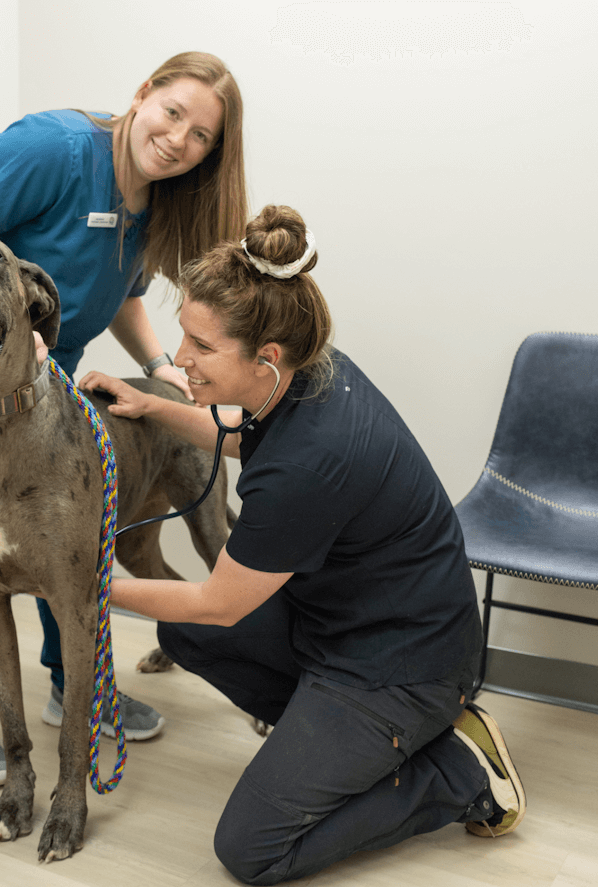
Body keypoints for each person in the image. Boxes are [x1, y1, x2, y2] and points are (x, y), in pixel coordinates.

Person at [79, 204, 525, 885]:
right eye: (184, 338)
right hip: (343, 621)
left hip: (403, 664)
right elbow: (241, 431)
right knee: (181, 630)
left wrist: (81, 582)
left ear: (267, 357)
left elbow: (218, 601)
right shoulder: (307, 373)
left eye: (201, 347)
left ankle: (453, 771)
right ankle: (333, 745)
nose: (182, 360)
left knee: (251, 849)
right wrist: (157, 407)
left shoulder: (310, 461)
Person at [0, 51, 249, 788]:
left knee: (67, 533)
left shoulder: (152, 199)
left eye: (202, 135)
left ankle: (72, 688)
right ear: (142, 94)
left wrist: (160, 368)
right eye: (173, 112)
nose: (179, 138)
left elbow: (117, 293)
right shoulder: (54, 148)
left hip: (42, 374)